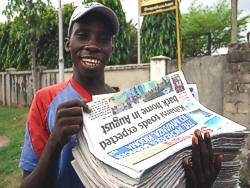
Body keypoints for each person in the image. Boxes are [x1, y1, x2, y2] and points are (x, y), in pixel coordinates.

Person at [18, 2, 222, 188]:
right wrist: (55, 143)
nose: (92, 45)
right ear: (67, 43)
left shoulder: (129, 106)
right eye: (82, 35)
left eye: (103, 38)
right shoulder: (45, 100)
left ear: (110, 47)